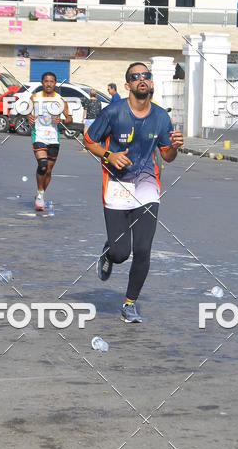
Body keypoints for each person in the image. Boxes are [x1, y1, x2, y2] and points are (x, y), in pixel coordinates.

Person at [84, 61, 184, 324]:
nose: (142, 79)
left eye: (146, 76)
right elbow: (89, 140)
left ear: (151, 83)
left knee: (143, 249)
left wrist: (174, 146)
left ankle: (130, 304)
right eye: (135, 77)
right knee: (121, 253)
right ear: (127, 85)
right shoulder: (114, 112)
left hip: (147, 186)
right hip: (116, 186)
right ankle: (108, 253)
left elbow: (167, 156)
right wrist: (109, 154)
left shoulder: (161, 117)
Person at [28, 72, 71, 212]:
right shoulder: (34, 97)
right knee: (42, 165)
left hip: (53, 137)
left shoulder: (60, 100)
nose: (49, 84)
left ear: (55, 83)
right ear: (42, 82)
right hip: (38, 135)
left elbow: (69, 118)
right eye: (46, 81)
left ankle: (40, 194)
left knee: (49, 170)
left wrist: (62, 121)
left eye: (51, 81)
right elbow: (25, 112)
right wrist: (28, 116)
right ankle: (40, 196)